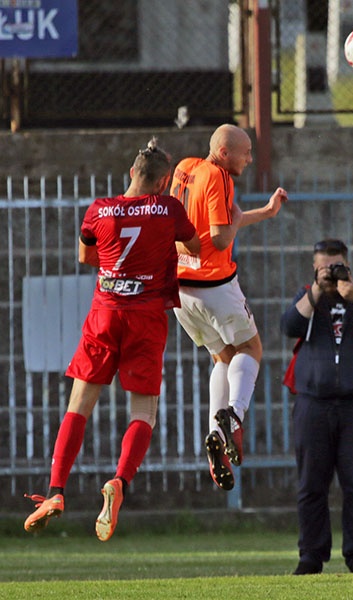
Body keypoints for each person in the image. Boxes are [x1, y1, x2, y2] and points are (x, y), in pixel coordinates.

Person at [23, 138, 200, 541]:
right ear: (162, 182)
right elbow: (194, 246)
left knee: (79, 405)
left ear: (132, 174)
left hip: (105, 314)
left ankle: (55, 491)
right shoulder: (169, 209)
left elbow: (86, 258)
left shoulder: (99, 210)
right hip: (147, 317)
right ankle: (119, 481)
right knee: (143, 412)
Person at [169, 124, 288, 491]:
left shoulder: (185, 168)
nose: (250, 159)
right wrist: (237, 219)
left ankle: (215, 437)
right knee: (251, 349)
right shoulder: (219, 176)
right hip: (214, 284)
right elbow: (221, 236)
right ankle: (234, 415)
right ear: (224, 152)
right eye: (246, 152)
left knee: (222, 357)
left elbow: (211, 224)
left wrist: (264, 213)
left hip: (179, 288)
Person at [280, 238, 353, 575]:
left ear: (348, 265)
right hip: (313, 403)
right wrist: (316, 291)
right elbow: (288, 327)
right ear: (314, 268)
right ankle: (310, 555)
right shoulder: (307, 297)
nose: (331, 273)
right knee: (311, 484)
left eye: (337, 266)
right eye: (324, 267)